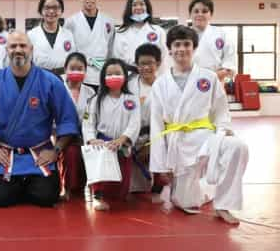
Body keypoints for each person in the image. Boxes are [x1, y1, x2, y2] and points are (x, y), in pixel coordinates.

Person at [149, 25, 249, 224]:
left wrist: (224, 133)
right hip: (177, 143)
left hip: (205, 136)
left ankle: (223, 204)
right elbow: (157, 125)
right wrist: (160, 167)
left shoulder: (209, 77)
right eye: (177, 44)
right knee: (186, 202)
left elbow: (221, 111)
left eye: (187, 44)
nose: (182, 49)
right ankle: (202, 188)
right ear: (169, 49)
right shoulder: (160, 83)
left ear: (194, 48)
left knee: (237, 146)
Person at [0, 31, 79, 208]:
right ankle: (20, 185)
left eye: (22, 46)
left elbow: (67, 120)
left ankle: (25, 184)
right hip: (6, 155)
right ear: (6, 50)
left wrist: (55, 151)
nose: (18, 50)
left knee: (46, 197)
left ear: (31, 49)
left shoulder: (50, 81)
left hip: (39, 154)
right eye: (13, 46)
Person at [83, 58, 140, 211]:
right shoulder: (95, 100)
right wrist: (92, 140)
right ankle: (97, 195)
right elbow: (87, 123)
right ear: (103, 77)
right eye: (109, 74)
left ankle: (117, 193)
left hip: (122, 144)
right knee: (101, 171)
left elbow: (135, 123)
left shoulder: (132, 99)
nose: (113, 77)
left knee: (121, 194)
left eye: (117, 73)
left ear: (125, 76)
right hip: (103, 144)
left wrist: (122, 139)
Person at [64, 0, 115, 89]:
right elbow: (68, 51)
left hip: (102, 72)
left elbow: (111, 49)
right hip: (79, 72)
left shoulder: (109, 21)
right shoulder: (71, 22)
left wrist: (110, 70)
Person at [58, 52, 95, 200]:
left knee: (87, 152)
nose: (76, 72)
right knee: (71, 153)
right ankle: (67, 189)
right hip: (63, 136)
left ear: (86, 71)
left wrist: (88, 137)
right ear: (65, 69)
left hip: (85, 135)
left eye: (80, 69)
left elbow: (91, 118)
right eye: (72, 68)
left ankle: (86, 187)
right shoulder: (58, 88)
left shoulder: (90, 92)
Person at [127, 43, 161, 194]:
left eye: (150, 63)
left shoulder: (165, 85)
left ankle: (159, 183)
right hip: (131, 136)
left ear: (158, 63)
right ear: (136, 64)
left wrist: (150, 145)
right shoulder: (128, 85)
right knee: (134, 188)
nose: (146, 67)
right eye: (142, 64)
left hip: (156, 137)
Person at [112, 0, 170, 74]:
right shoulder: (120, 32)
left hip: (153, 76)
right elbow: (116, 58)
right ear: (129, 9)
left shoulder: (158, 31)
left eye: (142, 4)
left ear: (147, 7)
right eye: (134, 5)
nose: (138, 7)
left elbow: (164, 58)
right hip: (129, 77)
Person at [189, 0, 236, 81]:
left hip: (216, 80)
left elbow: (230, 60)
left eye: (204, 11)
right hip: (189, 80)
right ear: (190, 14)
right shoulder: (183, 34)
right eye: (196, 11)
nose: (200, 14)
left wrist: (214, 76)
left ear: (211, 14)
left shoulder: (221, 34)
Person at [27, 0, 76, 75]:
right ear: (41, 11)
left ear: (61, 11)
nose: (51, 11)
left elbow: (73, 59)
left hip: (63, 77)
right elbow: (27, 61)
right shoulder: (31, 35)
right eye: (47, 8)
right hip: (40, 76)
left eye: (56, 8)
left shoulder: (68, 34)